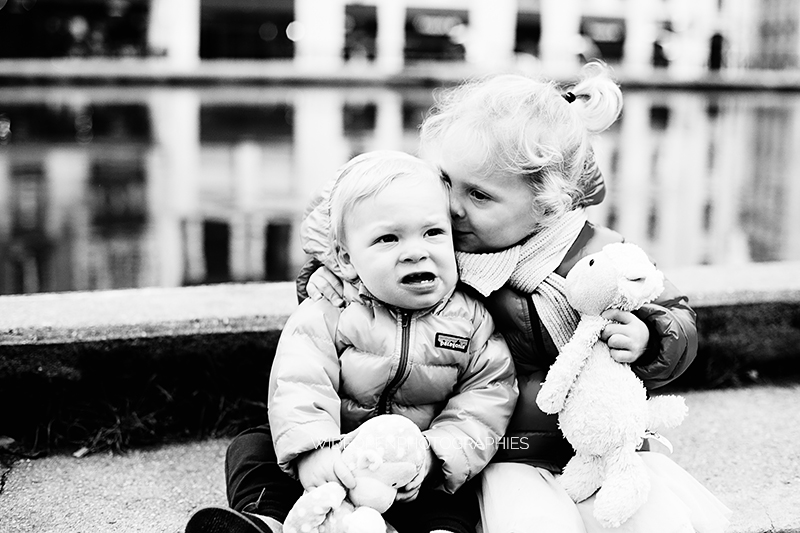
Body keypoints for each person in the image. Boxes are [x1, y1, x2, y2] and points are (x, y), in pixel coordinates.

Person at [307, 62, 731, 532]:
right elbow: (360, 245)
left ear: (547, 204)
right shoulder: (436, 250)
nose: (452, 206)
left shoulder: (599, 255)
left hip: (596, 445)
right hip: (498, 449)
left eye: (479, 195)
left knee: (642, 520)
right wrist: (326, 276)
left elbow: (674, 314)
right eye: (445, 180)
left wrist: (650, 336)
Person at [185, 150, 518, 533]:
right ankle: (266, 520)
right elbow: (299, 382)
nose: (416, 251)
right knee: (253, 447)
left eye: (433, 233)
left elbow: (485, 401)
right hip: (336, 455)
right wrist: (314, 450)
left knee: (459, 487)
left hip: (413, 470)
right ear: (345, 258)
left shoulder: (471, 320)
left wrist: (433, 455)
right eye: (388, 239)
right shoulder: (329, 309)